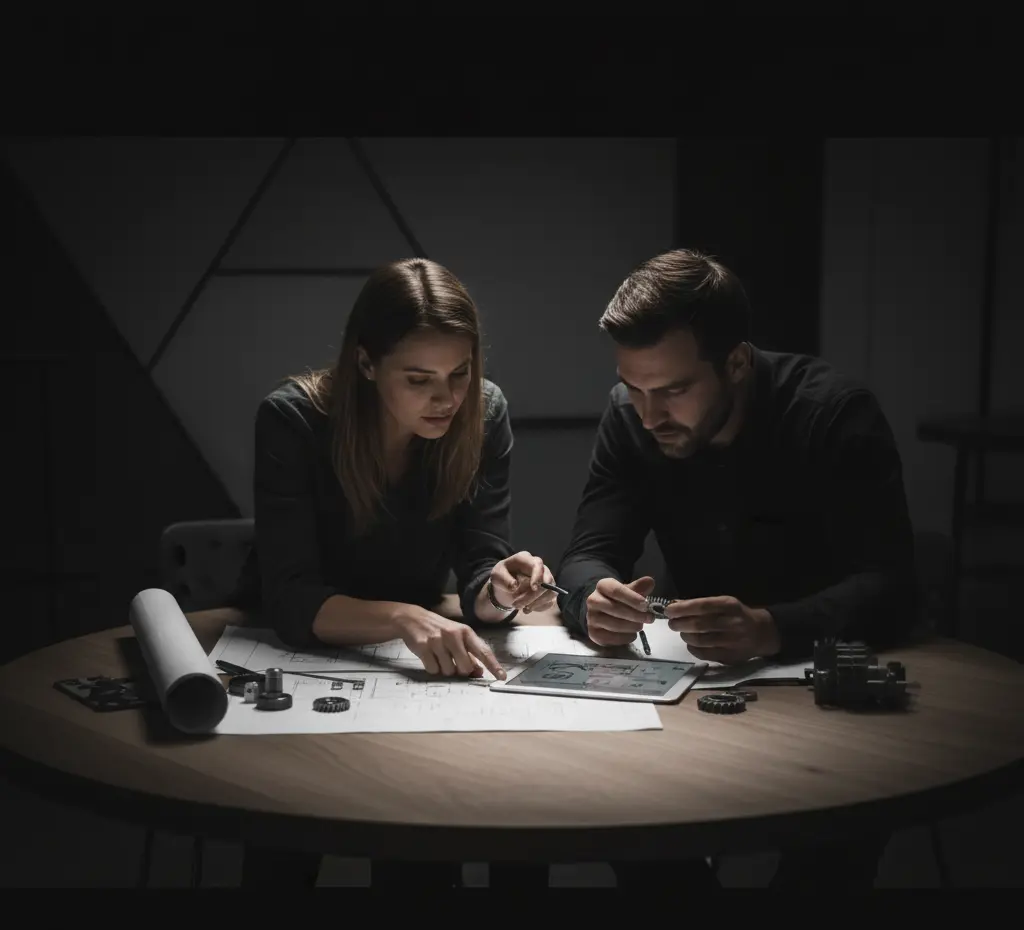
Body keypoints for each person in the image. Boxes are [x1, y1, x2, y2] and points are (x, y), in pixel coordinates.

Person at [556, 248, 917, 890]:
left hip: (829, 691)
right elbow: (588, 552)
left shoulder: (832, 415)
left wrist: (774, 627)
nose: (649, 415)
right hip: (694, 691)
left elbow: (891, 584)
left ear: (738, 363)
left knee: (829, 855)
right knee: (616, 814)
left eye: (673, 390)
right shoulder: (630, 417)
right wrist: (592, 598)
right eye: (634, 388)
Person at [233, 258, 556, 889]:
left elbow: (480, 564)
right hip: (296, 650)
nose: (447, 399)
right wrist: (405, 616)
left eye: (460, 374)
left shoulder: (483, 415)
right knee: (288, 843)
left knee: (430, 838)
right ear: (365, 363)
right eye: (420, 379)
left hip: (415, 660)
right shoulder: (294, 420)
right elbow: (292, 599)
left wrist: (498, 588)